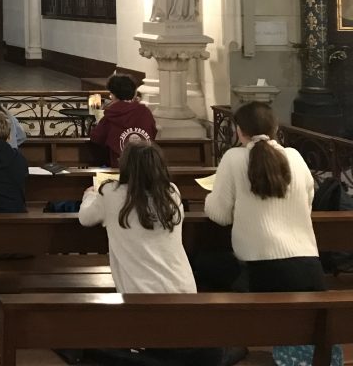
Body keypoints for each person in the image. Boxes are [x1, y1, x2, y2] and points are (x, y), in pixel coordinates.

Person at [205, 102, 340, 366]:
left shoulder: (233, 158)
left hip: (261, 272)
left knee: (206, 269)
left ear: (238, 131)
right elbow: (307, 202)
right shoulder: (295, 157)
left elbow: (220, 215)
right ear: (275, 128)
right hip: (309, 266)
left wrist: (212, 197)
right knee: (312, 335)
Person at [79, 142, 222, 366]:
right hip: (183, 291)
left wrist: (89, 195)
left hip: (140, 296)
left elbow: (85, 218)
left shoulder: (110, 194)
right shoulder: (172, 192)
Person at [89, 74, 158, 166]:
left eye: (111, 94)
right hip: (145, 165)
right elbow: (153, 132)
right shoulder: (145, 112)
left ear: (113, 95)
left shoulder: (111, 114)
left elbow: (96, 138)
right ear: (133, 93)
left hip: (120, 167)